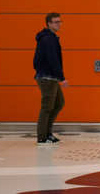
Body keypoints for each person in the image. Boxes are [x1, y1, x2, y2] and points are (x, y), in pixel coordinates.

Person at [33, 12, 67, 145]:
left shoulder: (50, 37)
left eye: (60, 21)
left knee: (59, 103)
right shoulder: (48, 39)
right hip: (47, 77)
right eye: (56, 22)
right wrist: (62, 78)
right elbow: (53, 60)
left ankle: (47, 133)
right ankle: (42, 136)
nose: (59, 24)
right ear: (49, 23)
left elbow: (36, 60)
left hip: (50, 77)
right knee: (47, 107)